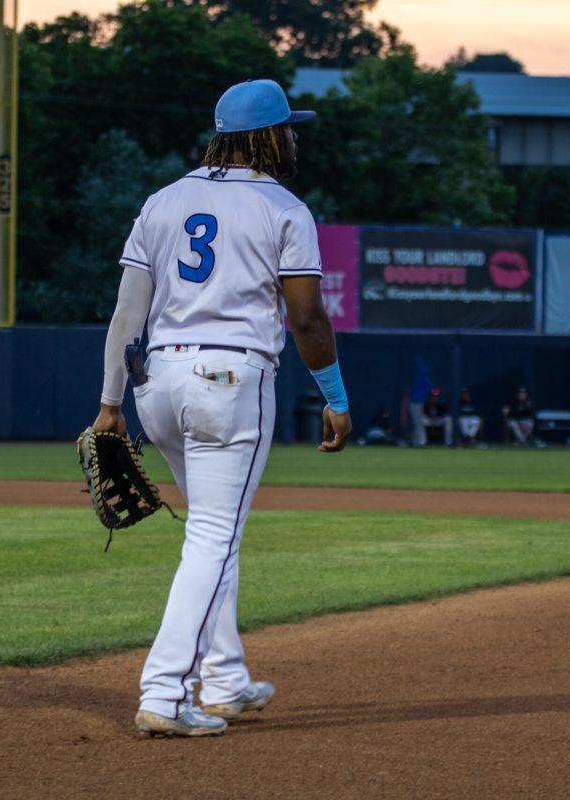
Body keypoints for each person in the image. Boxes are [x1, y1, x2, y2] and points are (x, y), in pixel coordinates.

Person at [91, 79, 351, 738]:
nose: (294, 137)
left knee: (212, 529)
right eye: (289, 128)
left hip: (159, 382)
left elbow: (128, 312)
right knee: (214, 535)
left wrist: (109, 404)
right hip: (230, 380)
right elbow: (307, 316)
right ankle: (165, 692)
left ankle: (227, 680)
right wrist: (337, 398)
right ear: (268, 136)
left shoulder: (164, 200)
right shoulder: (285, 209)